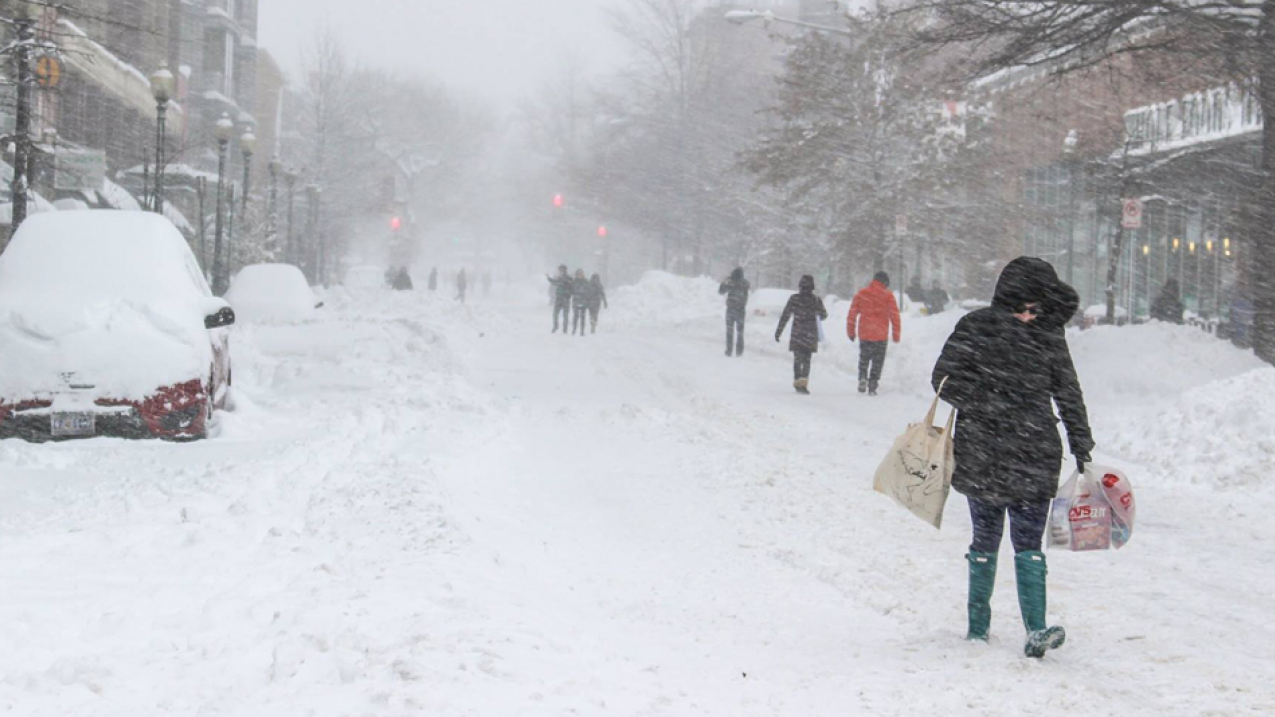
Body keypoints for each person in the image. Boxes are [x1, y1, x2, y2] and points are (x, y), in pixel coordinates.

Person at [931, 257, 1094, 659]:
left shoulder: (1049, 337)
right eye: (1023, 306)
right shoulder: (976, 327)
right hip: (983, 451)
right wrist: (989, 402)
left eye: (1037, 308)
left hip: (1034, 453)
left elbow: (1068, 391)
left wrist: (1081, 442)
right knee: (985, 539)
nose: (1029, 315)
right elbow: (943, 379)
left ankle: (1036, 629)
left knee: (1028, 542)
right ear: (1008, 300)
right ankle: (977, 627)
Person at [847, 271, 901, 396]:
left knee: (864, 358)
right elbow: (895, 316)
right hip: (880, 335)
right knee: (878, 361)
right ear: (885, 282)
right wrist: (896, 334)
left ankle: (862, 377)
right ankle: (873, 384)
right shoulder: (888, 295)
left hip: (865, 333)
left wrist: (851, 331)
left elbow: (852, 314)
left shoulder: (862, 293)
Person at [774, 275, 828, 395]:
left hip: (797, 333)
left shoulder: (794, 299)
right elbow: (824, 315)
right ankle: (804, 382)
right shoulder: (816, 300)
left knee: (797, 358)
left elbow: (785, 315)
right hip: (810, 333)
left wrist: (778, 331)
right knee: (807, 359)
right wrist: (816, 312)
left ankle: (797, 380)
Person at [719, 267, 751, 357]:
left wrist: (725, 282)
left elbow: (721, 291)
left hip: (730, 309)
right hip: (741, 310)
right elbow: (747, 287)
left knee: (729, 331)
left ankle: (729, 350)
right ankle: (739, 351)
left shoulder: (731, 282)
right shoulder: (745, 283)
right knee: (740, 332)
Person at [547, 265, 572, 333]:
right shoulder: (560, 277)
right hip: (559, 298)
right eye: (559, 270)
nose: (560, 271)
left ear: (564, 270)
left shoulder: (568, 278)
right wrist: (549, 278)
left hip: (565, 299)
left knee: (565, 315)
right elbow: (555, 283)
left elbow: (571, 287)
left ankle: (564, 328)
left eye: (561, 270)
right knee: (556, 314)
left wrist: (567, 292)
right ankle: (556, 326)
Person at [571, 269, 590, 336]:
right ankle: (574, 329)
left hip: (583, 301)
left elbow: (589, 290)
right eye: (579, 274)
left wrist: (587, 298)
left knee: (583, 317)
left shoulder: (586, 281)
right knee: (576, 316)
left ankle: (582, 331)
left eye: (581, 273)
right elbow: (571, 290)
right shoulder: (574, 282)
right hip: (576, 300)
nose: (580, 275)